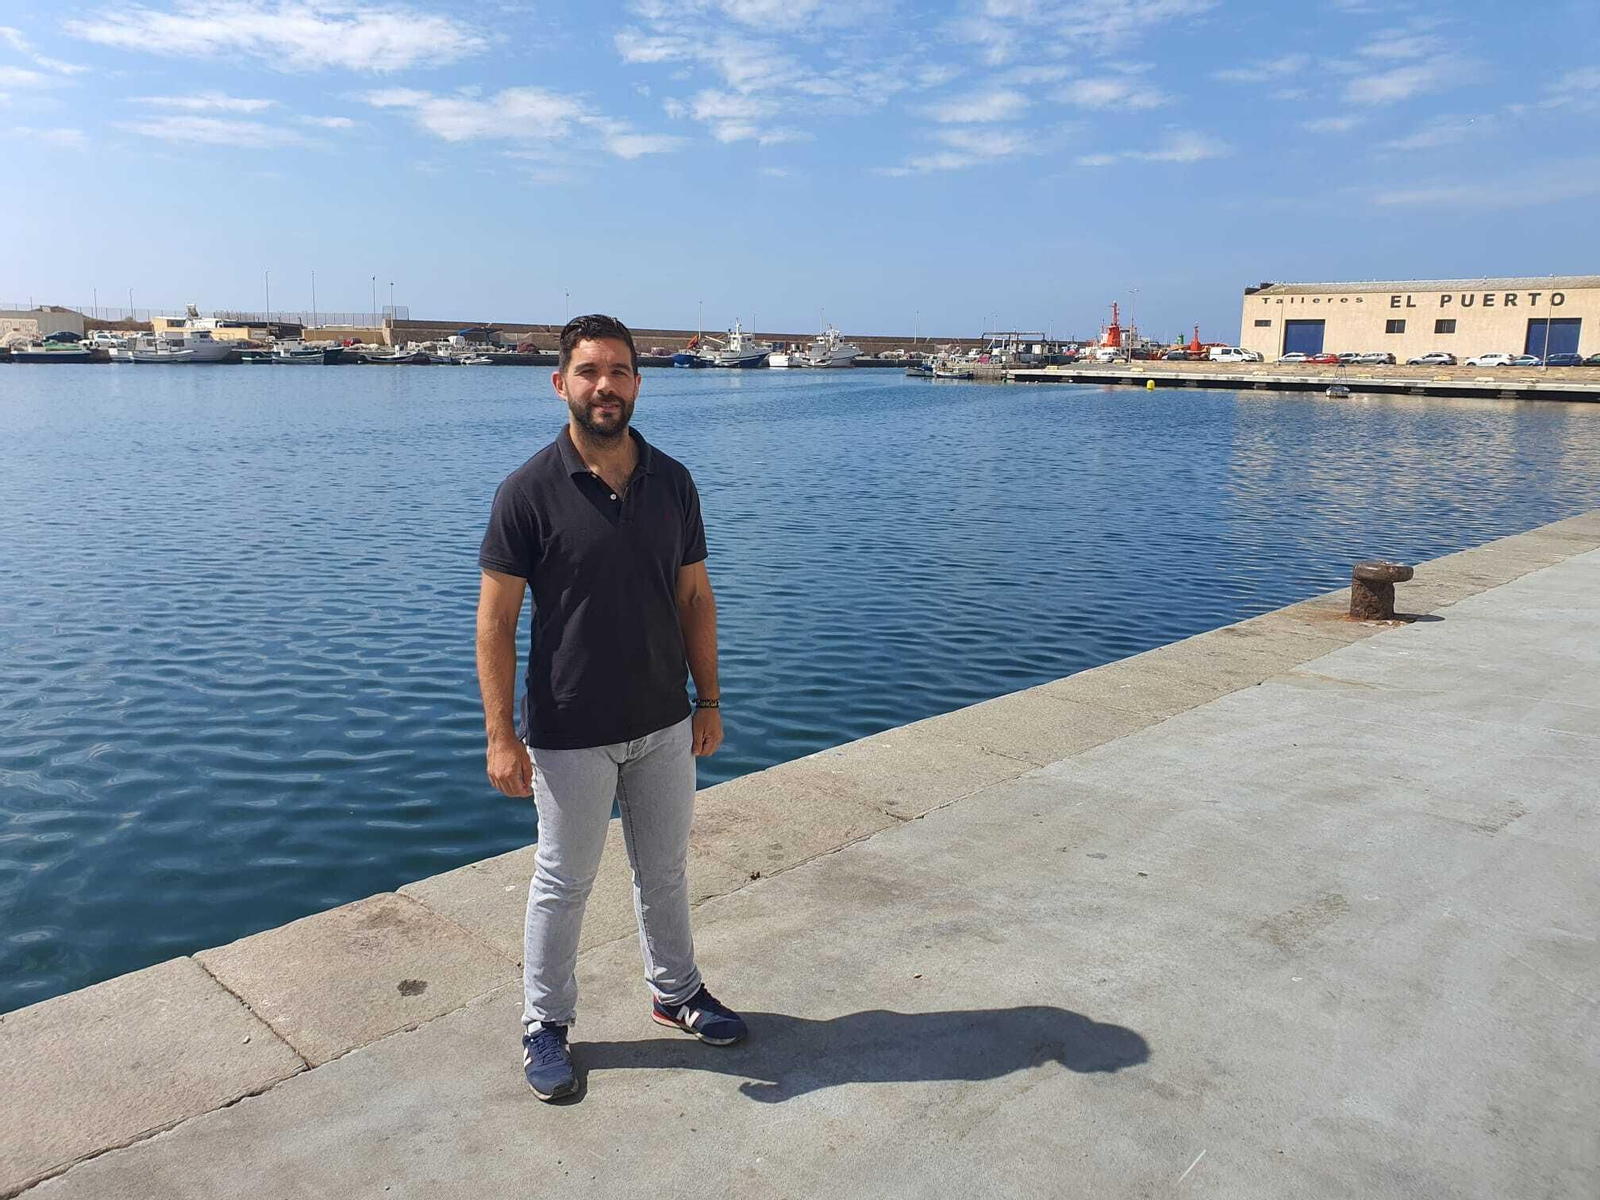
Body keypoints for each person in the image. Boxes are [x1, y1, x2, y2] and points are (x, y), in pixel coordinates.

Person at [475, 314, 746, 1102]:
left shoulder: (674, 482)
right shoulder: (527, 492)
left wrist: (710, 699)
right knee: (563, 881)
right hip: (569, 732)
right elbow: (495, 623)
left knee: (664, 871)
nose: (606, 386)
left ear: (637, 381)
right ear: (561, 383)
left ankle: (677, 992)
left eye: (620, 371)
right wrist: (501, 737)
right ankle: (544, 1024)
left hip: (664, 720)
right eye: (589, 371)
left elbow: (695, 596)